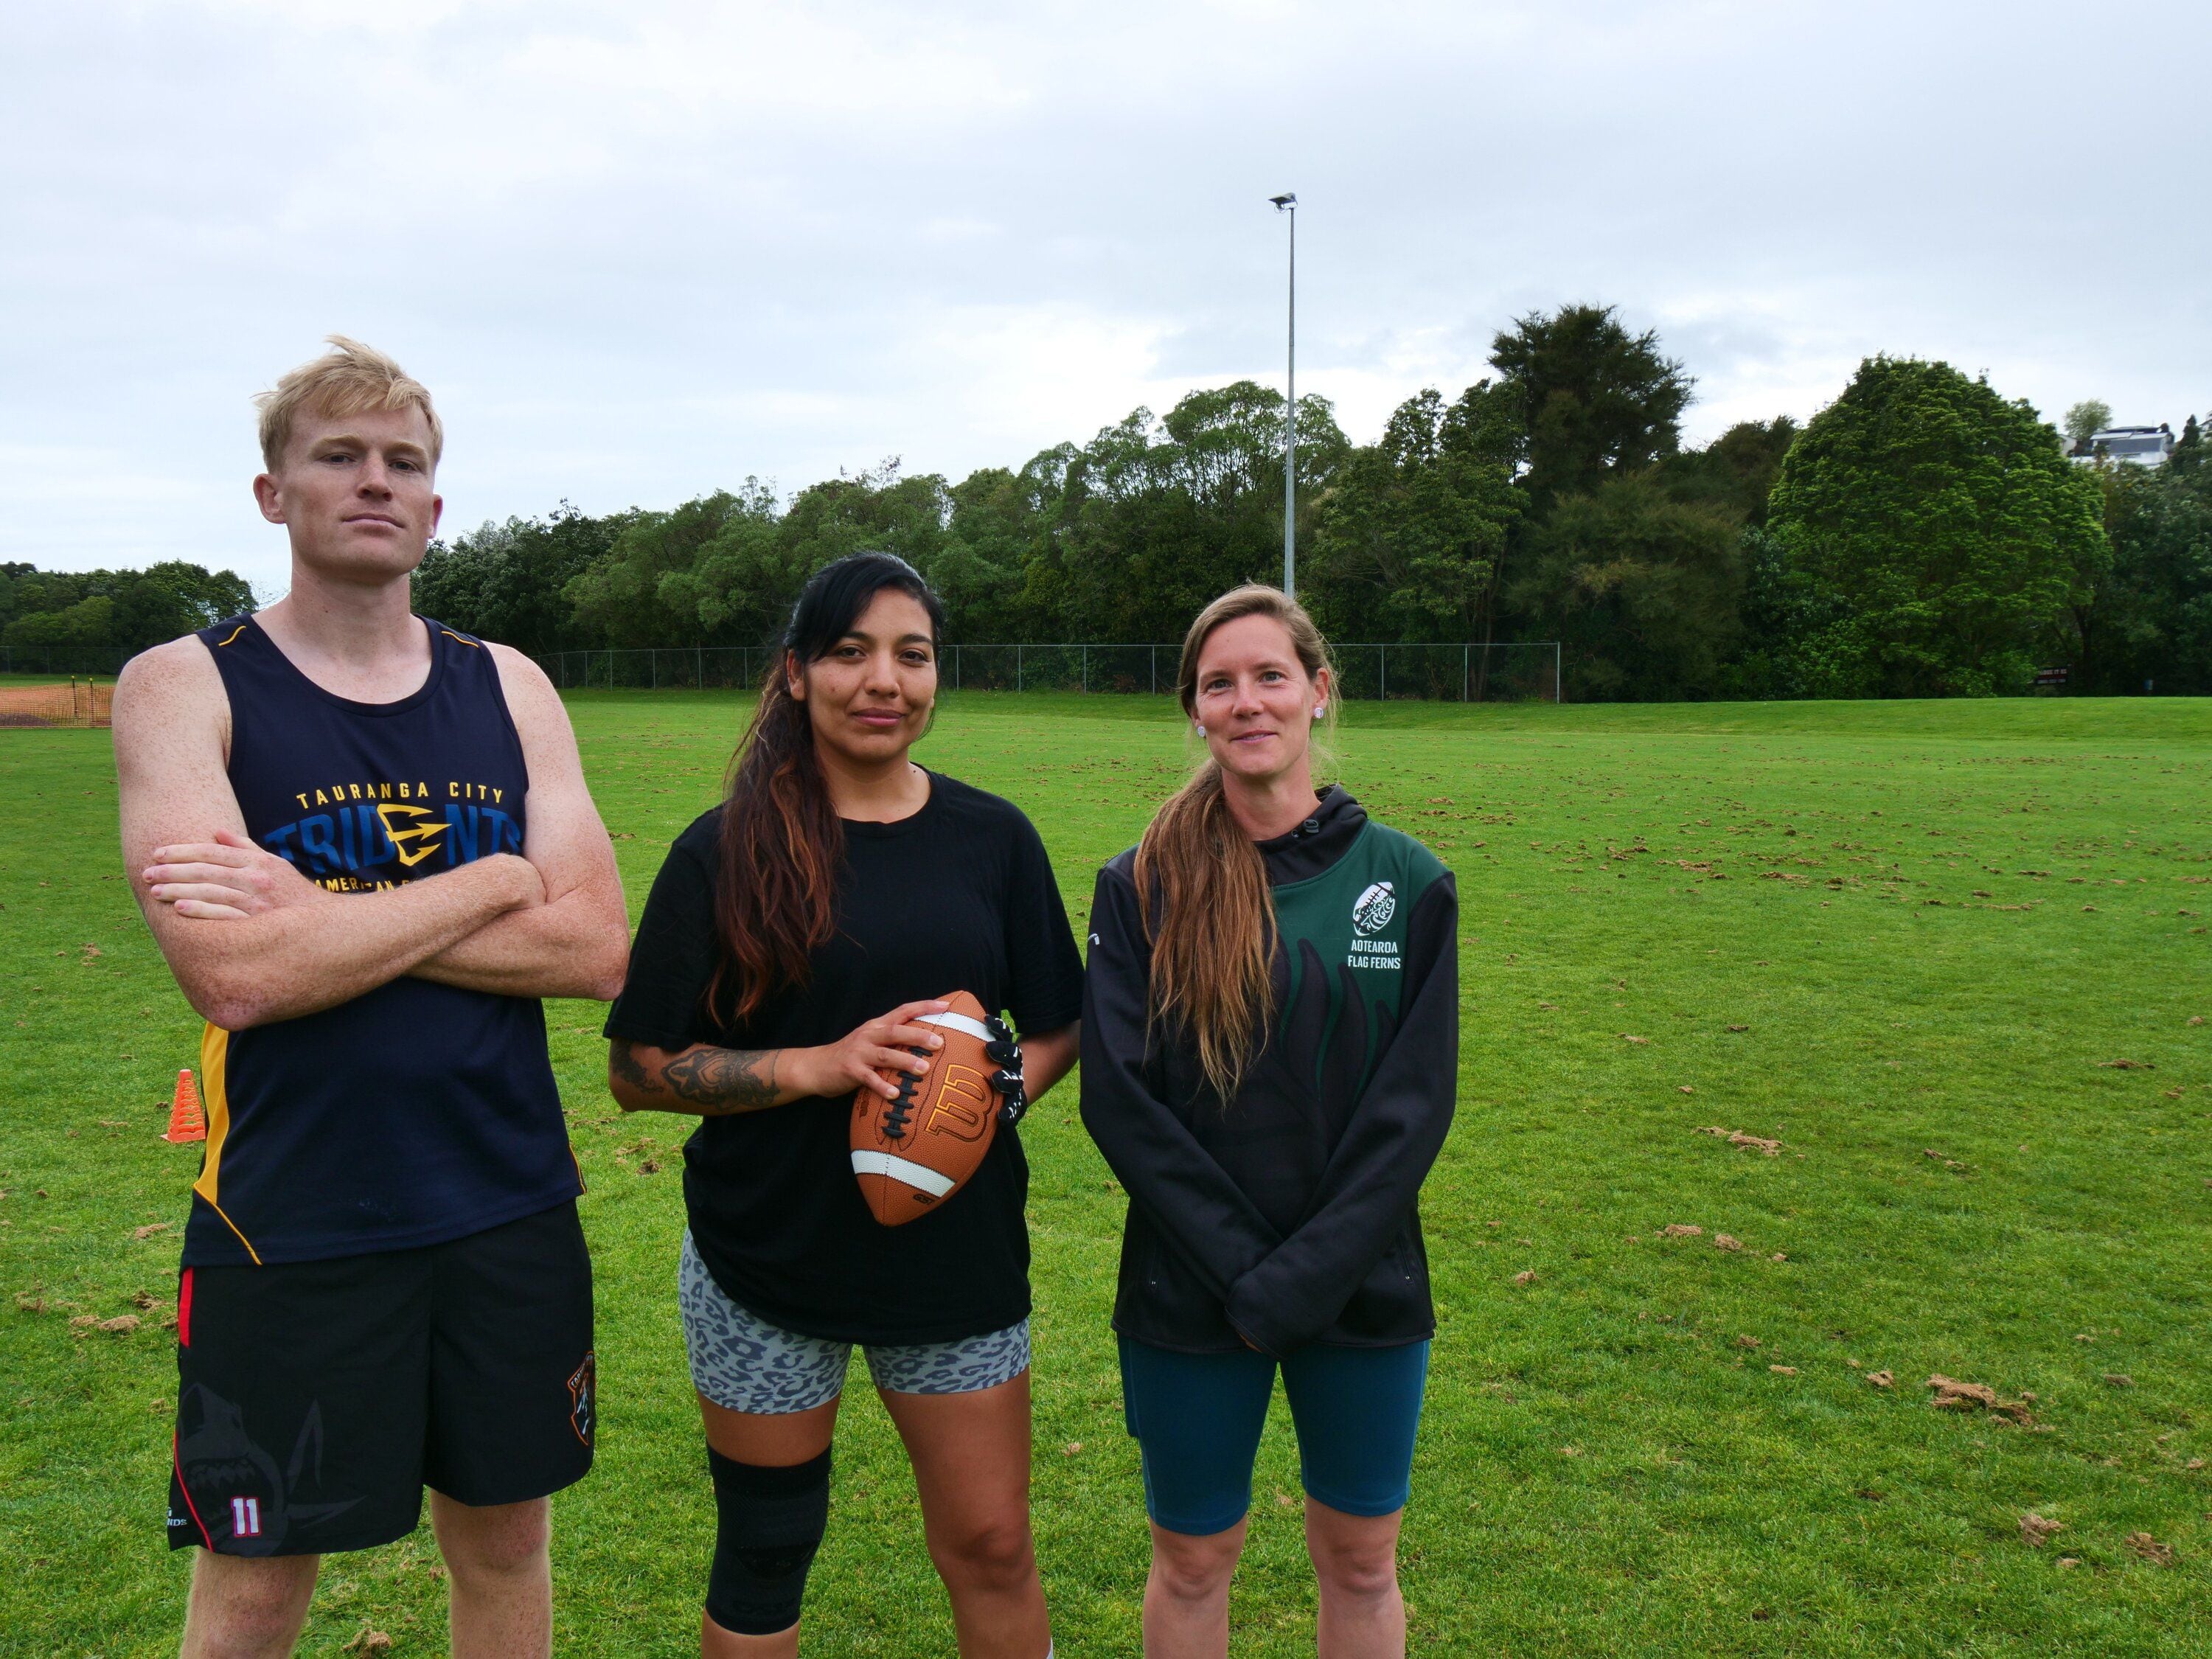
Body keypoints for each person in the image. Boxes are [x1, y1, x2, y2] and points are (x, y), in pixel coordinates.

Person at [113, 337, 630, 1659]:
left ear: (437, 507)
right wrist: (492, 877)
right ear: (272, 493)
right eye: (337, 456)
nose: (374, 481)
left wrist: (321, 916)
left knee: (507, 1542)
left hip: (506, 1193)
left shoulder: (507, 683)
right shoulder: (186, 683)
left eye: (404, 461)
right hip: (288, 1211)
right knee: (258, 1574)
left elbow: (593, 950)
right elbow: (236, 974)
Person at [602, 552, 1082, 1659]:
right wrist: (814, 1066)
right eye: (850, 652)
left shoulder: (992, 838)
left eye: (911, 655)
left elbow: (1057, 1026)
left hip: (952, 1257)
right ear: (796, 675)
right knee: (767, 1550)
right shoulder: (723, 847)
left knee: (994, 1542)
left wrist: (997, 1098)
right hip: (765, 1257)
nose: (884, 680)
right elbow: (638, 1067)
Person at [1080, 586, 1459, 1659]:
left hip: (1363, 1286)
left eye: (1270, 675)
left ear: (1319, 692)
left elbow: (1412, 1110)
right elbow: (1121, 1097)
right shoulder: (1141, 884)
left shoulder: (1410, 882)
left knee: (1361, 1560)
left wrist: (1301, 1278)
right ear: (1193, 712)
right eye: (1219, 684)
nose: (1246, 701)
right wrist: (1249, 1273)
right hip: (1192, 1290)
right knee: (1194, 1561)